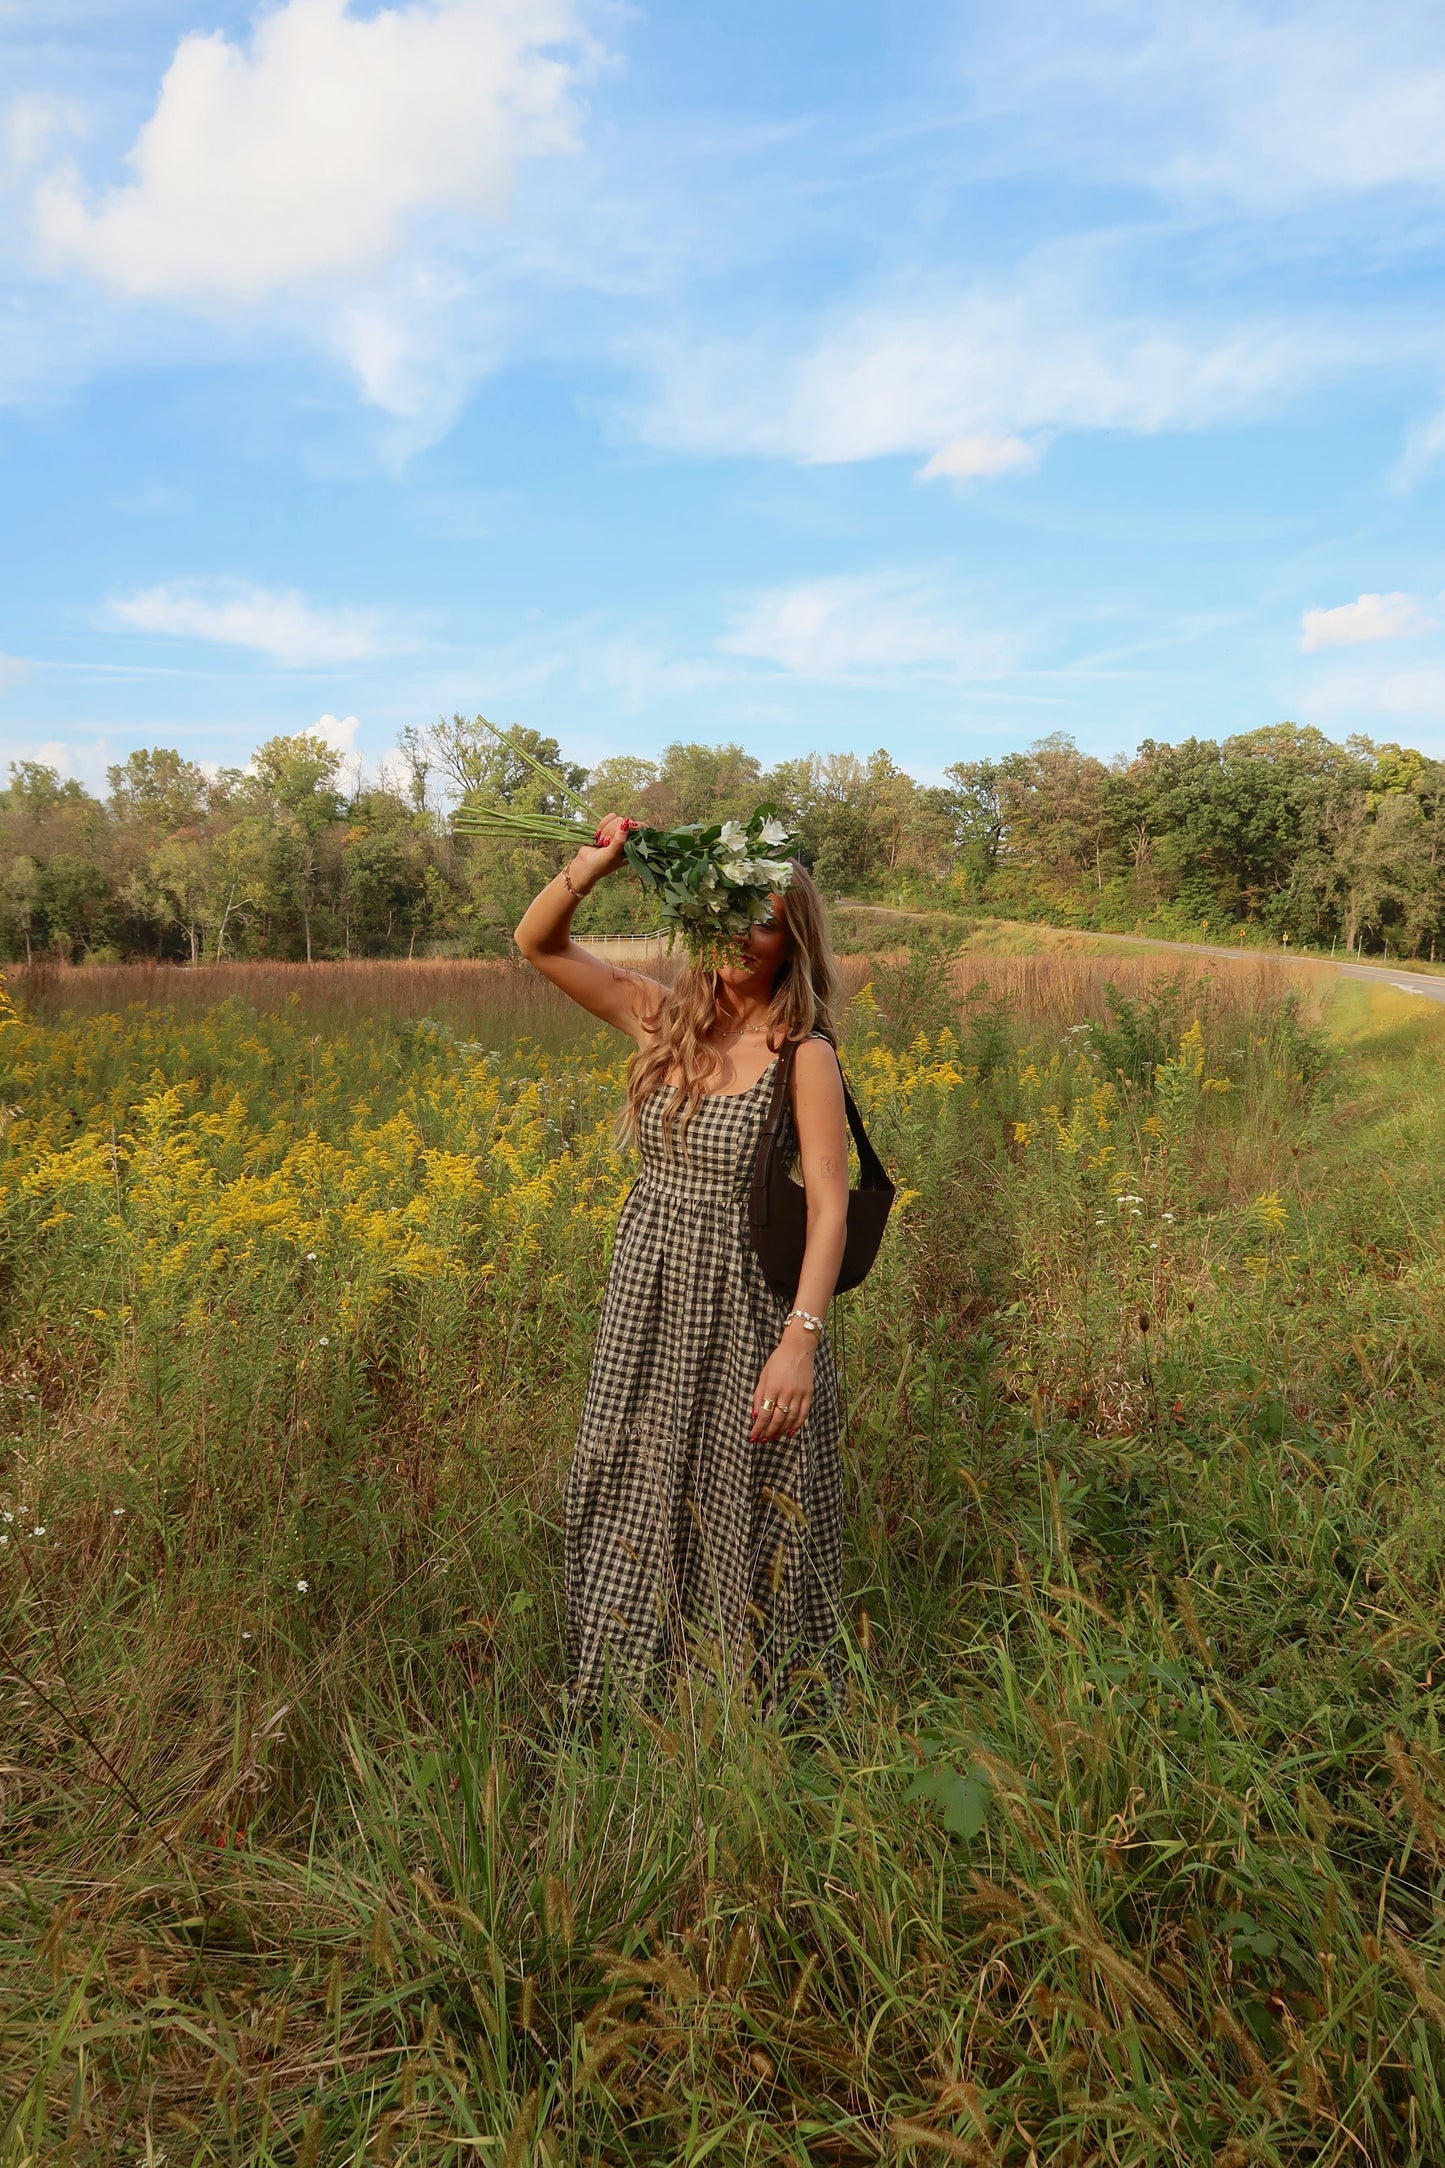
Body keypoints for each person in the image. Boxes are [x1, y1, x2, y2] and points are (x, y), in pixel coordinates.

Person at [514, 815, 851, 1709]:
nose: (746, 936)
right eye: (732, 913)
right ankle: (623, 1687)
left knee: (740, 1485)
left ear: (793, 941)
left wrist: (800, 1343)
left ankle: (742, 1700)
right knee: (630, 1468)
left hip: (744, 1299)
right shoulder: (658, 1016)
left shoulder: (802, 1057)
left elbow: (828, 1211)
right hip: (648, 1290)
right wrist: (595, 865)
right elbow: (536, 940)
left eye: (767, 920)